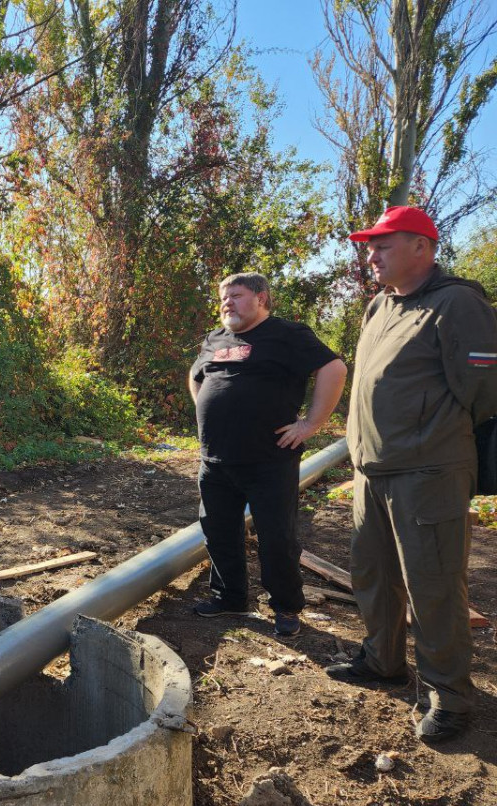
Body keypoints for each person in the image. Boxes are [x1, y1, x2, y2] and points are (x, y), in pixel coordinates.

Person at [326, 206, 497, 744]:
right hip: (373, 470)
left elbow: (485, 394)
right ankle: (383, 661)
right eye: (369, 247)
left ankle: (449, 697)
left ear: (422, 247)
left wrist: (434, 439)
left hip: (429, 473)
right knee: (372, 574)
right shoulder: (381, 304)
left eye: (383, 246)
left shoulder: (458, 303)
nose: (371, 256)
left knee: (433, 584)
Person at [189, 272, 347, 637]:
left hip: (268, 460)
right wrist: (206, 409)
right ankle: (230, 597)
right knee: (218, 531)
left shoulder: (288, 334)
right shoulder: (216, 338)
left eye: (236, 295)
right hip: (215, 460)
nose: (227, 302)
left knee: (277, 538)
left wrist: (310, 424)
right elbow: (196, 375)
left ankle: (286, 607)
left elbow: (334, 368)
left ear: (261, 297)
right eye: (223, 297)